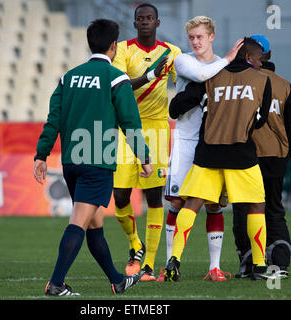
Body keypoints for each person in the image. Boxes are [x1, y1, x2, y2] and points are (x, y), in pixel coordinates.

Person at [33, 19, 153, 296]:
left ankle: (117, 280)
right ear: (114, 46)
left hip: (71, 163)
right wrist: (144, 157)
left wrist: (41, 154)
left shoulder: (69, 77)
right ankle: (56, 284)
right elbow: (130, 123)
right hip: (96, 163)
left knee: (94, 224)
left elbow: (53, 120)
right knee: (78, 222)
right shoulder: (117, 78)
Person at [164, 37, 274, 281]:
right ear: (249, 58)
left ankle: (174, 260)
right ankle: (259, 266)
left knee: (192, 204)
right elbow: (261, 119)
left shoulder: (210, 77)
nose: (261, 64)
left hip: (208, 153)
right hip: (242, 154)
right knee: (256, 205)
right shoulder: (262, 80)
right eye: (259, 59)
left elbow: (177, 107)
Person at [161, 16, 243, 282]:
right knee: (176, 202)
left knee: (214, 206)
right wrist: (229, 60)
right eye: (192, 38)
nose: (195, 42)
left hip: (214, 143)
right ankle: (169, 265)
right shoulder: (184, 60)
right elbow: (201, 75)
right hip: (185, 141)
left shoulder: (221, 65)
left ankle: (215, 267)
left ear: (211, 37)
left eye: (200, 37)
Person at [111, 3, 182, 281]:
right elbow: (119, 87)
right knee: (120, 195)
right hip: (126, 129)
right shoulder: (124, 50)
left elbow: (185, 84)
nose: (144, 22)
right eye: (140, 18)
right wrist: (151, 75)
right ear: (135, 22)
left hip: (157, 129)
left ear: (158, 22)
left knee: (154, 198)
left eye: (149, 18)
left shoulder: (172, 52)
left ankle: (149, 265)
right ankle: (135, 244)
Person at [232, 35, 291, 279]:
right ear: (269, 55)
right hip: (275, 156)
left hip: (244, 155)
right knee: (274, 209)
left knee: (244, 210)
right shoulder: (283, 84)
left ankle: (249, 264)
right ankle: (278, 263)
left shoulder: (237, 81)